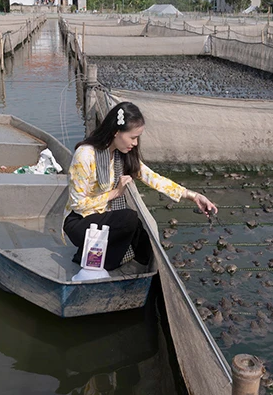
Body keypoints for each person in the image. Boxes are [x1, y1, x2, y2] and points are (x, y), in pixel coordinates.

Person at [63, 101, 217, 271]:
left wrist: (194, 196)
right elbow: (77, 204)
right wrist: (115, 193)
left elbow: (154, 178)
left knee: (141, 237)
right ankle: (95, 260)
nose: (135, 143)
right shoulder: (85, 155)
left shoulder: (122, 155)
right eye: (133, 137)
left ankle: (152, 272)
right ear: (116, 132)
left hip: (105, 216)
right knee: (128, 218)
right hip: (80, 222)